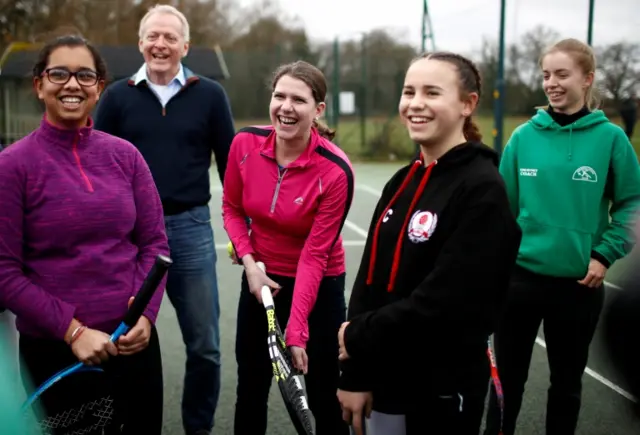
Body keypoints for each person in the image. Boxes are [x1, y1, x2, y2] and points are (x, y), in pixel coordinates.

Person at [336, 51, 522, 435]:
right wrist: (355, 370)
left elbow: (447, 303)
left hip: (441, 387)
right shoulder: (401, 180)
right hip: (383, 381)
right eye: (409, 91)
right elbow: (368, 282)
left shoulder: (482, 190)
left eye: (432, 92)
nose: (415, 103)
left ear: (467, 104)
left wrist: (357, 335)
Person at [0, 34, 169, 433]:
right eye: (59, 73)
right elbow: (5, 272)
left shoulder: (125, 156)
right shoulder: (12, 166)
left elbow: (154, 244)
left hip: (134, 347)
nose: (72, 84)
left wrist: (146, 315)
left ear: (99, 89)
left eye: (85, 75)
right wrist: (72, 331)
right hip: (56, 354)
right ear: (39, 85)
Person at [483, 38, 640, 435]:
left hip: (579, 283)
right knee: (507, 385)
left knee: (567, 387)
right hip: (519, 281)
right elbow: (502, 211)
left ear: (586, 79)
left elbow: (631, 203)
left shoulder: (611, 140)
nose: (551, 83)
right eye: (546, 75)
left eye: (561, 74)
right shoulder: (523, 137)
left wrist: (605, 255)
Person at [93, 5, 235, 434]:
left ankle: (198, 428)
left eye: (170, 38)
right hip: (130, 237)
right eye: (153, 36)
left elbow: (230, 166)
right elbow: (98, 165)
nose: (160, 44)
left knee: (206, 347)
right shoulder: (116, 97)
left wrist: (242, 231)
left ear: (185, 46)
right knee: (122, 339)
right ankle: (125, 424)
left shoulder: (210, 94)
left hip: (190, 230)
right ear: (141, 43)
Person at [222, 60, 354, 435]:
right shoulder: (244, 143)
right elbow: (231, 208)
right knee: (250, 390)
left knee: (324, 397)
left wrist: (297, 333)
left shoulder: (335, 171)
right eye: (279, 96)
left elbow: (316, 255)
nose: (286, 107)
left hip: (320, 284)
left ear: (318, 110)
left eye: (299, 99)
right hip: (260, 280)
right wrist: (250, 264)